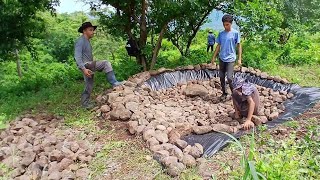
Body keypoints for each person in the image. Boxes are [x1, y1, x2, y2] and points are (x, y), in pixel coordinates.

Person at [74, 22, 124, 109]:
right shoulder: (80, 41)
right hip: (86, 65)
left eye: (93, 30)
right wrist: (83, 69)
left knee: (89, 84)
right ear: (84, 31)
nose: (93, 32)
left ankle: (85, 104)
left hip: (88, 65)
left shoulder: (87, 41)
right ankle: (115, 83)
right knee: (106, 63)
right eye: (90, 30)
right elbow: (77, 57)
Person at [211, 15, 242, 99]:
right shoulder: (221, 34)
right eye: (224, 25)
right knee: (221, 77)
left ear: (231, 24)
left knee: (229, 78)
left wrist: (239, 59)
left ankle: (234, 94)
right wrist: (213, 57)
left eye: (227, 24)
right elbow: (218, 45)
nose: (226, 26)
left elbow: (239, 46)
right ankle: (224, 93)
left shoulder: (235, 33)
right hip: (222, 58)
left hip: (231, 59)